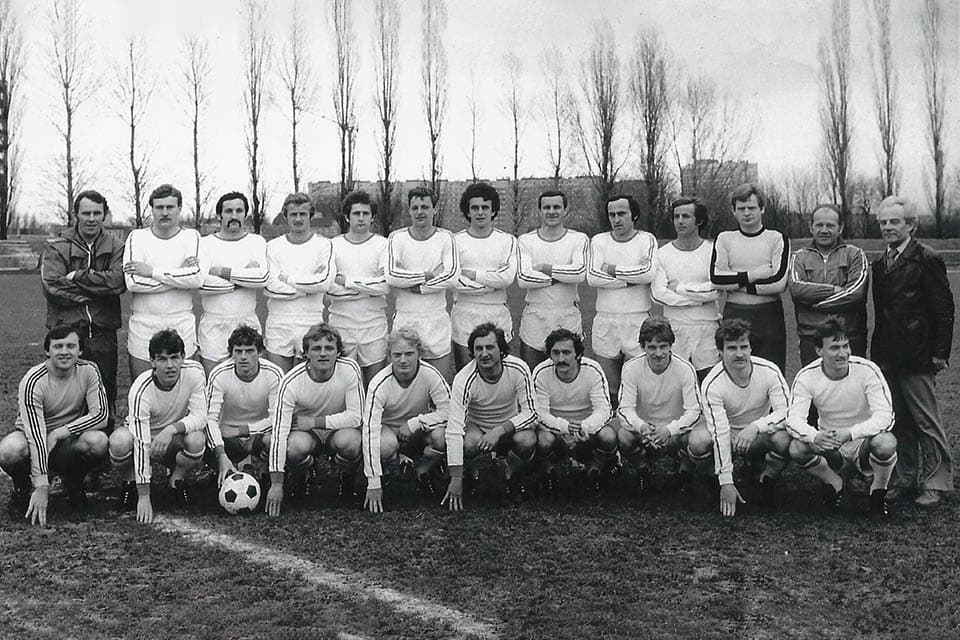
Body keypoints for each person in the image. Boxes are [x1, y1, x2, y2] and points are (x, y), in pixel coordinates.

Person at [871, 195, 955, 507]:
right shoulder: (880, 263)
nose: (888, 227)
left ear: (911, 225)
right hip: (887, 355)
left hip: (917, 355)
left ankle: (936, 482)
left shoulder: (926, 258)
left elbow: (943, 310)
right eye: (883, 222)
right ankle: (903, 477)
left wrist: (940, 353)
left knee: (925, 421)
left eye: (894, 221)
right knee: (898, 422)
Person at [786, 319, 897, 518]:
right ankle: (834, 482)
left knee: (886, 443)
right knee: (797, 448)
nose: (843, 353)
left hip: (862, 441)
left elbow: (885, 417)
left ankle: (877, 492)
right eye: (834, 348)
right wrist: (815, 436)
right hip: (830, 444)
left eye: (845, 346)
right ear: (819, 351)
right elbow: (793, 420)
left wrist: (851, 433)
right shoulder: (806, 376)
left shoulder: (867, 370)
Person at [0, 325, 108, 525]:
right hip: (33, 441)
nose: (65, 352)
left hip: (66, 442)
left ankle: (73, 482)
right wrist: (41, 484)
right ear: (47, 351)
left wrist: (60, 432)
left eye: (71, 346)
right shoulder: (33, 380)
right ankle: (22, 489)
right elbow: (35, 434)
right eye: (58, 346)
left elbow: (100, 415)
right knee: (9, 450)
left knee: (98, 441)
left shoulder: (89, 370)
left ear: (80, 350)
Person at [40, 190, 125, 430]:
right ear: (75, 214)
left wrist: (78, 276)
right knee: (64, 394)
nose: (91, 218)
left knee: (104, 392)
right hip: (65, 332)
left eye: (97, 213)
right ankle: (60, 443)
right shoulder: (57, 246)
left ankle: (102, 445)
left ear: (105, 215)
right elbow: (52, 286)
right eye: (86, 213)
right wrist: (97, 293)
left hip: (103, 333)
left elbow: (118, 282)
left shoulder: (117, 246)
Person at [692, 319, 792, 517]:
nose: (739, 354)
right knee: (698, 441)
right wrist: (726, 481)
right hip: (728, 434)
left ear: (750, 347)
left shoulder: (769, 371)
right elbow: (720, 431)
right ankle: (713, 480)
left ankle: (766, 479)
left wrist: (756, 427)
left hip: (757, 435)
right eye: (732, 348)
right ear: (720, 352)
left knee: (785, 438)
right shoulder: (712, 383)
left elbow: (787, 413)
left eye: (744, 347)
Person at [109, 329, 208, 524]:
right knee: (119, 442)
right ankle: (130, 481)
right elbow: (140, 442)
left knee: (197, 440)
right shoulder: (141, 388)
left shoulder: (195, 372)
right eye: (162, 359)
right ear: (152, 361)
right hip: (141, 436)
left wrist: (171, 430)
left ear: (183, 357)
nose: (169, 365)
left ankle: (176, 480)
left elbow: (200, 416)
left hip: (171, 438)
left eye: (174, 357)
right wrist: (144, 495)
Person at [264, 324, 364, 517]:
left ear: (338, 352)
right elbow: (279, 432)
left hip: (338, 431)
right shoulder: (291, 381)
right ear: (306, 353)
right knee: (293, 447)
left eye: (329, 348)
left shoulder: (350, 369)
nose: (323, 354)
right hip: (307, 435)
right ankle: (303, 474)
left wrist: (315, 422)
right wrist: (276, 483)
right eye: (316, 348)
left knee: (352, 442)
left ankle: (347, 476)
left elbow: (356, 416)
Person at [443, 322, 538, 510]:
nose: (484, 354)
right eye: (478, 348)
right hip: (477, 428)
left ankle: (512, 474)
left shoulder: (518, 368)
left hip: (508, 426)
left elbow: (532, 412)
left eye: (490, 347)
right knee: (468, 443)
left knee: (527, 440)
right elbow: (454, 428)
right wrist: (455, 477)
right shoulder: (464, 378)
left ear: (501, 349)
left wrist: (499, 431)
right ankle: (470, 474)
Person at [362, 328, 450, 513]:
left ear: (419, 354)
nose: (403, 360)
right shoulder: (379, 383)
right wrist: (373, 482)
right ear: (389, 357)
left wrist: (415, 423)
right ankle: (392, 470)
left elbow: (450, 411)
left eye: (409, 353)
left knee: (441, 437)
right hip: (389, 433)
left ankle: (422, 470)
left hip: (417, 431)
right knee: (384, 445)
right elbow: (369, 430)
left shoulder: (430, 374)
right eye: (397, 355)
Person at [123, 184, 203, 380]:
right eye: (159, 207)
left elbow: (196, 278)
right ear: (152, 209)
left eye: (170, 207)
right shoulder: (137, 237)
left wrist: (153, 272)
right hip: (144, 324)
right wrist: (179, 275)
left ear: (179, 208)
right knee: (143, 386)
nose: (165, 212)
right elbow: (133, 282)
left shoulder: (191, 236)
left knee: (184, 387)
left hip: (181, 322)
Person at [616, 318, 702, 495]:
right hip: (645, 430)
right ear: (643, 347)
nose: (658, 353)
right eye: (652, 347)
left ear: (671, 345)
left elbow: (694, 411)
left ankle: (684, 471)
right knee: (624, 436)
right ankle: (643, 469)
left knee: (696, 439)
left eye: (663, 346)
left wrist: (670, 430)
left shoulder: (685, 368)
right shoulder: (631, 367)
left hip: (674, 431)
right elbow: (625, 409)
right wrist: (641, 427)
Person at [710, 183, 789, 372]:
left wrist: (736, 283)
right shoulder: (724, 238)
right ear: (733, 211)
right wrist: (755, 274)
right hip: (735, 313)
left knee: (771, 371)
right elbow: (717, 278)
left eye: (752, 208)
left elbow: (778, 283)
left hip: (769, 316)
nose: (746, 213)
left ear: (762, 208)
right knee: (735, 371)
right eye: (741, 208)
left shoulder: (777, 238)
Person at [586, 194, 658, 403]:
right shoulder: (599, 241)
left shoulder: (646, 239)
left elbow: (648, 273)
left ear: (634, 215)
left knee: (640, 385)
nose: (616, 219)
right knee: (609, 387)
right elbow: (592, 276)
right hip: (605, 320)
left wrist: (611, 269)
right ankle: (611, 421)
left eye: (622, 214)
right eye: (612, 215)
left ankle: (637, 423)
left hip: (638, 319)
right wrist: (629, 281)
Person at [385, 186, 460, 380]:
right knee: (405, 385)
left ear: (435, 209)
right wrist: (428, 275)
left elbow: (452, 276)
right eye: (415, 207)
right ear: (409, 210)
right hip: (406, 319)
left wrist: (413, 285)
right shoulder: (397, 238)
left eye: (425, 207)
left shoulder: (446, 238)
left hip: (436, 319)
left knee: (438, 384)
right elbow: (391, 276)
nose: (420, 212)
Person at [532, 329, 616, 494]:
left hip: (586, 428)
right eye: (555, 353)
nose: (561, 359)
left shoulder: (592, 369)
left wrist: (585, 427)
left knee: (609, 436)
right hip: (555, 429)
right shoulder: (541, 372)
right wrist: (564, 427)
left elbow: (604, 409)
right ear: (549, 354)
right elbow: (539, 414)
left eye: (566, 352)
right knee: (543, 440)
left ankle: (595, 469)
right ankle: (549, 472)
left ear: (578, 354)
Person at [198, 191, 270, 375]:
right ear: (219, 215)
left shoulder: (256, 242)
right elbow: (201, 283)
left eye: (239, 211)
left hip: (247, 321)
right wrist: (243, 278)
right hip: (213, 325)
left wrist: (223, 272)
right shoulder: (205, 244)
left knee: (249, 381)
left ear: (245, 214)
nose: (234, 216)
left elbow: (261, 278)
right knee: (214, 381)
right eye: (228, 211)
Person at [787, 203, 868, 365]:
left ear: (840, 228)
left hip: (848, 336)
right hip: (811, 337)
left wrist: (817, 304)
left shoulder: (855, 254)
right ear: (811, 227)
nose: (824, 230)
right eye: (819, 225)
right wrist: (834, 290)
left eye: (830, 225)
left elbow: (856, 293)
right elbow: (797, 290)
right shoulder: (799, 257)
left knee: (852, 382)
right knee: (814, 381)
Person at [517, 190, 589, 371]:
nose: (551, 211)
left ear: (565, 210)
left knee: (570, 377)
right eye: (546, 207)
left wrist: (545, 269)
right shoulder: (526, 240)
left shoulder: (578, 239)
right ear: (539, 211)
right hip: (535, 319)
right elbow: (523, 278)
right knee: (532, 376)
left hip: (568, 316)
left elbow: (579, 272)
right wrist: (562, 277)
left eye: (556, 207)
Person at [651, 197, 720, 382]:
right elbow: (659, 294)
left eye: (686, 216)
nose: (680, 221)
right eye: (676, 216)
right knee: (676, 385)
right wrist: (698, 300)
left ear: (699, 220)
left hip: (707, 328)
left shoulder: (713, 251)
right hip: (674, 328)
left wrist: (680, 289)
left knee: (708, 383)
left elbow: (715, 290)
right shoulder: (662, 254)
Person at [264, 193, 334, 372]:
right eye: (293, 214)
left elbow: (324, 282)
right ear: (285, 216)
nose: (298, 219)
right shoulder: (273, 246)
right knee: (279, 379)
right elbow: (269, 286)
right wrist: (308, 288)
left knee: (308, 382)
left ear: (310, 216)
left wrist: (288, 279)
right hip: (278, 321)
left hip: (311, 320)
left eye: (302, 214)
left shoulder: (324, 245)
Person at [205, 325, 283, 487]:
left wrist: (243, 431)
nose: (243, 357)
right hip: (227, 436)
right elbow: (210, 419)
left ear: (260, 353)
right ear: (231, 353)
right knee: (205, 437)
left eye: (249, 351)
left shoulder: (274, 373)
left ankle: (264, 469)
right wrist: (221, 454)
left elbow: (277, 418)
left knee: (273, 440)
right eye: (238, 351)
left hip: (258, 434)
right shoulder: (219, 374)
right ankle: (223, 469)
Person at [452, 183, 518, 371]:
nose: (480, 212)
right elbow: (453, 279)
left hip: (497, 312)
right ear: (467, 211)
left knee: (498, 375)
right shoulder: (455, 241)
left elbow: (507, 278)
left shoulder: (507, 241)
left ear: (493, 210)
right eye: (475, 208)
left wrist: (473, 274)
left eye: (485, 207)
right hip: (464, 313)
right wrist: (492, 283)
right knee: (467, 375)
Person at [328, 190, 390, 385]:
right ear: (347, 217)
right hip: (341, 325)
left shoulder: (383, 244)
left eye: (365, 213)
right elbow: (328, 288)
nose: (361, 218)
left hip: (374, 326)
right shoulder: (333, 245)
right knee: (343, 386)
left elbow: (385, 286)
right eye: (356, 213)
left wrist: (347, 282)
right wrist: (368, 289)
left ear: (372, 217)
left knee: (374, 385)